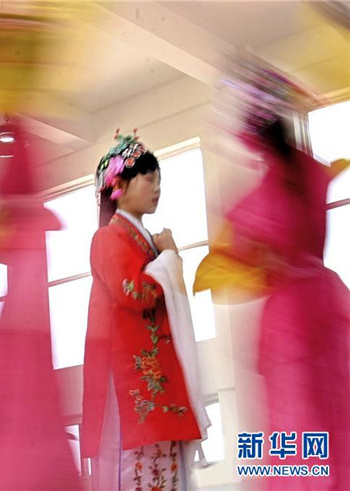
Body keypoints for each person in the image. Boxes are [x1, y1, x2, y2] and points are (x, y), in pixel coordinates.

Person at [194, 59, 350, 490]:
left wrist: (254, 265)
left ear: (251, 133)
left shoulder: (262, 196)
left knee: (297, 423)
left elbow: (231, 261)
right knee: (337, 414)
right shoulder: (312, 173)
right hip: (328, 304)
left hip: (289, 319)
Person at [82, 130, 208, 491]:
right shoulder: (108, 237)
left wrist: (164, 255)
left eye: (159, 180)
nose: (157, 188)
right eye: (149, 179)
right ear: (118, 186)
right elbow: (135, 292)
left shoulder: (146, 242)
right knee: (138, 472)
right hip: (131, 383)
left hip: (156, 380)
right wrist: (169, 257)